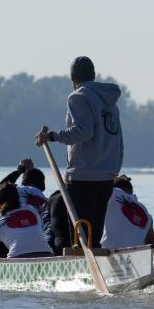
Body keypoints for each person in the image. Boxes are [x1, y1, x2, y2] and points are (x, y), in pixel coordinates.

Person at [36, 55, 124, 247]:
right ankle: (95, 265)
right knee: (94, 236)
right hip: (106, 175)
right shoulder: (110, 101)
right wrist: (115, 168)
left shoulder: (78, 96)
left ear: (73, 79)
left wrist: (52, 136)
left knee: (80, 237)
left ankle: (82, 269)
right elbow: (118, 138)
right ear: (93, 75)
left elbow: (83, 131)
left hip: (83, 175)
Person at [101, 174, 154, 250]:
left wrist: (116, 177)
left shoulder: (113, 193)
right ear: (131, 191)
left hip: (108, 253)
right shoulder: (146, 214)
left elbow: (101, 179)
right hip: (136, 255)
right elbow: (152, 246)